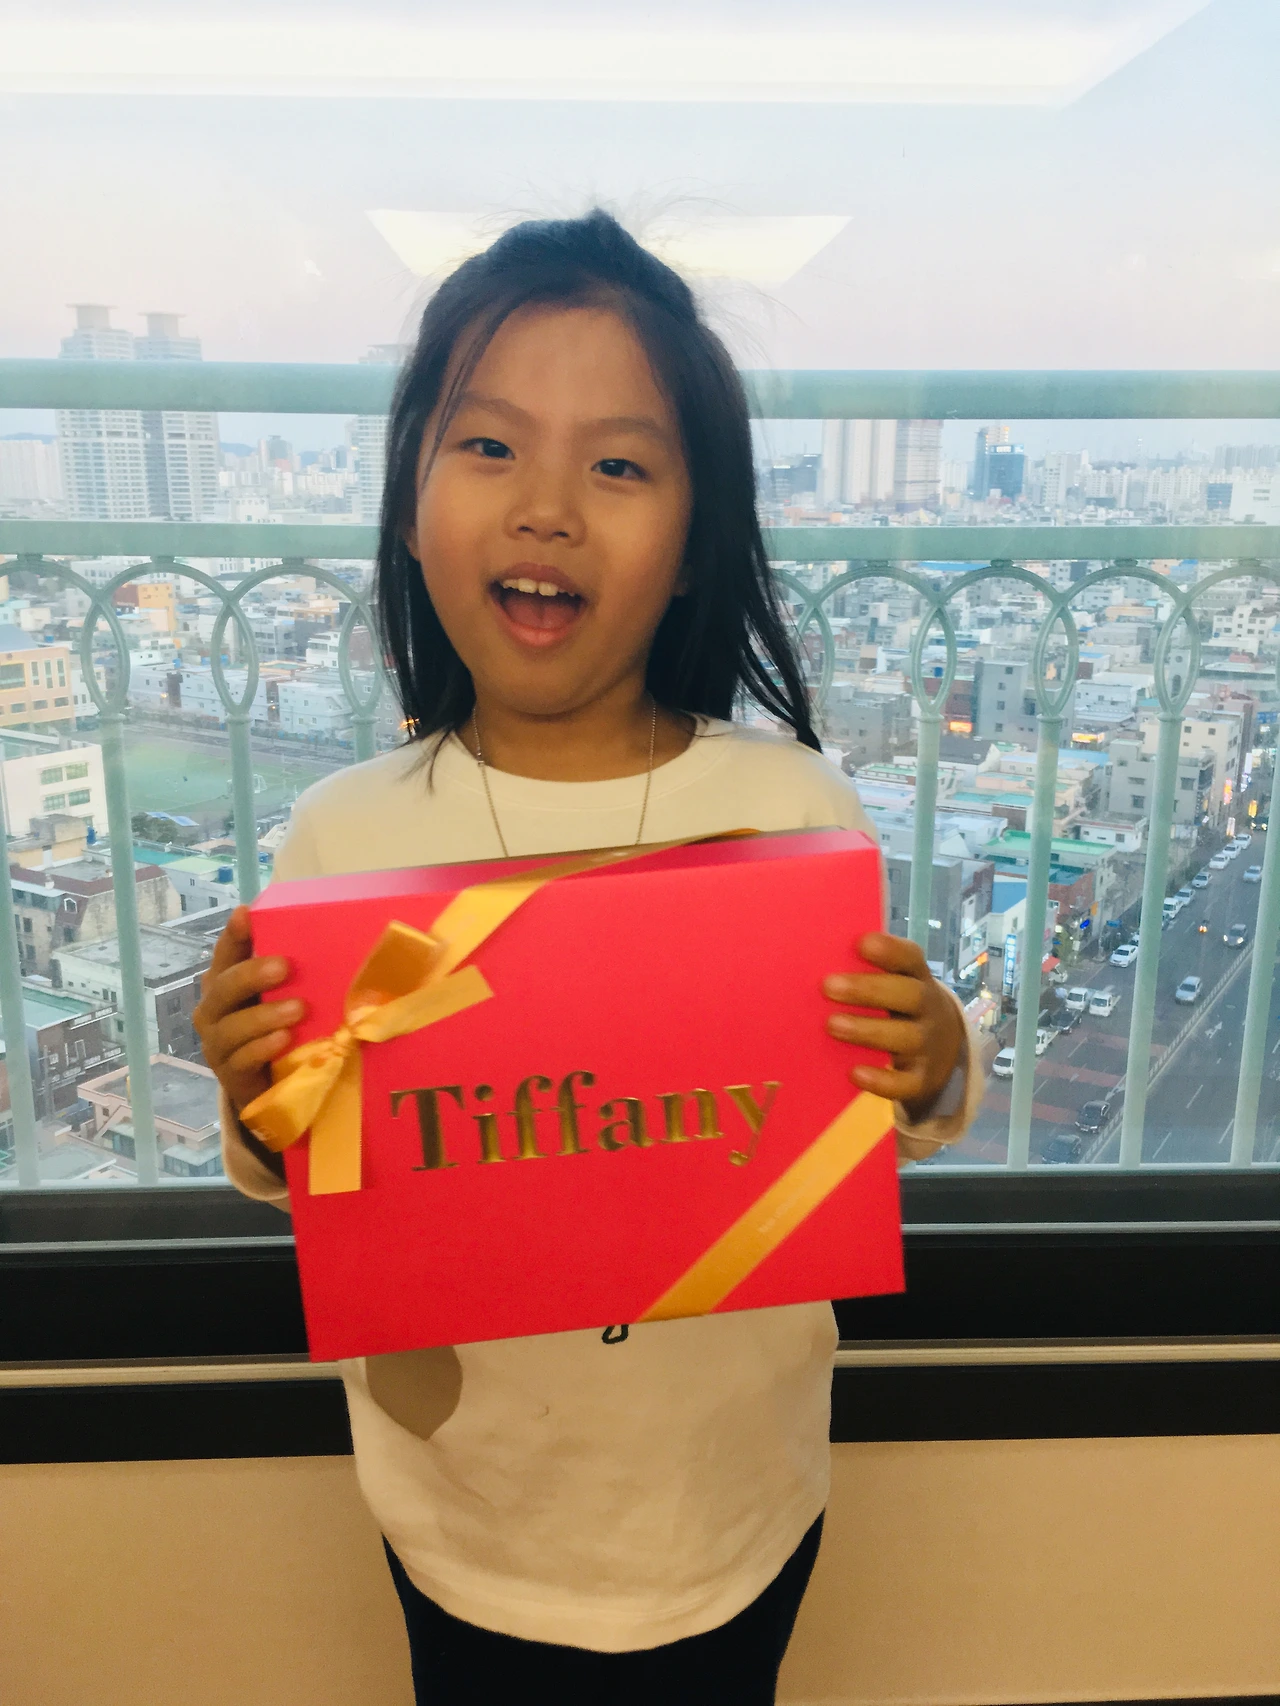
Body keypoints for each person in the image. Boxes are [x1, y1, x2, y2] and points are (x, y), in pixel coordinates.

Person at [195, 209, 982, 1705]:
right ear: (409, 501)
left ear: (692, 546)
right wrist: (251, 1089)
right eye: (490, 445)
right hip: (462, 1516)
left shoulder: (789, 808)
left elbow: (880, 1105)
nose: (548, 507)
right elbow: (307, 1163)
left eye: (619, 466)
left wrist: (934, 1052)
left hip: (736, 1505)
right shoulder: (344, 836)